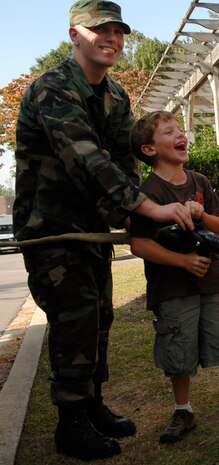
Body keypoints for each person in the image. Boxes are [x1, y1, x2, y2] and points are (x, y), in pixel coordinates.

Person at [13, 1, 195, 460]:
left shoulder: (115, 95)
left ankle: (91, 405)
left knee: (99, 317)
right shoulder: (51, 89)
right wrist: (147, 209)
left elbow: (122, 162)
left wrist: (133, 212)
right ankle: (70, 424)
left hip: (92, 229)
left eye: (118, 32)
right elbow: (87, 160)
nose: (112, 40)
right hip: (52, 231)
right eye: (100, 32)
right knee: (74, 319)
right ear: (75, 35)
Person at [128, 111, 219, 441]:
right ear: (149, 149)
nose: (181, 135)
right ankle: (183, 411)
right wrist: (182, 261)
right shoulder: (147, 192)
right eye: (169, 132)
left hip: (210, 284)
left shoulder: (199, 182)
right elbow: (139, 245)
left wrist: (201, 213)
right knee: (178, 349)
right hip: (173, 289)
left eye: (180, 129)